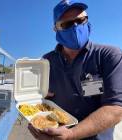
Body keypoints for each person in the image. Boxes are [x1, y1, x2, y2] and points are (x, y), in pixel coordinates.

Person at [28, 0, 122, 140]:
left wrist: (71, 134)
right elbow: (38, 99)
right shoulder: (46, 61)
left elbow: (115, 109)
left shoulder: (108, 55)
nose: (75, 27)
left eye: (80, 20)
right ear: (56, 29)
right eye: (66, 24)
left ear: (88, 22)